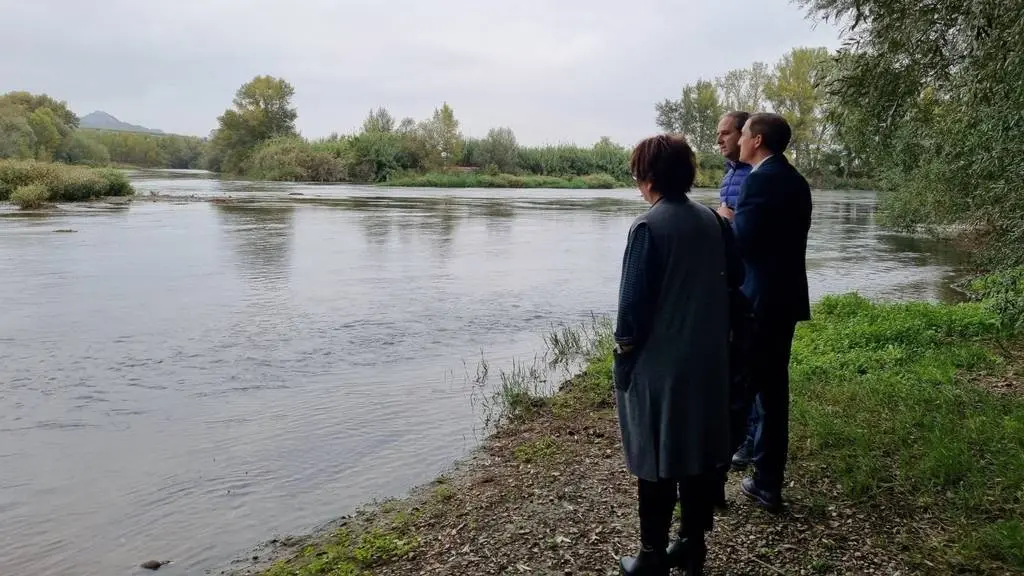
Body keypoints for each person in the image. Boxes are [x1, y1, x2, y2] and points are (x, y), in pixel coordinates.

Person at [613, 134, 733, 576]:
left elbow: (631, 309)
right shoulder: (714, 222)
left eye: (636, 174)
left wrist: (623, 357)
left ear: (647, 177)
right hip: (709, 362)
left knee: (655, 459)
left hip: (661, 367)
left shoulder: (647, 227)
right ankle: (691, 547)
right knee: (698, 456)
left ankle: (650, 557)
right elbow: (734, 283)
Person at [732, 113, 812, 511]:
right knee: (774, 391)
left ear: (758, 140)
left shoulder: (759, 181)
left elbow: (742, 243)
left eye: (744, 135)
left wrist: (725, 220)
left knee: (743, 389)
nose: (740, 141)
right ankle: (767, 481)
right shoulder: (796, 181)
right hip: (786, 299)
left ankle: (714, 476)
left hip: (759, 303)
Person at [713, 110, 762, 487]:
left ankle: (749, 442)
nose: (720, 140)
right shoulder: (730, 173)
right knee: (735, 362)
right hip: (733, 280)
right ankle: (740, 434)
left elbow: (751, 227)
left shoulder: (756, 177)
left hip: (752, 281)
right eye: (719, 134)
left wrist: (728, 220)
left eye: (726, 133)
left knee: (750, 365)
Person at [715, 111, 752, 221]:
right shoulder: (728, 175)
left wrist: (733, 218)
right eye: (718, 134)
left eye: (725, 133)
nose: (718, 141)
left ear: (744, 135)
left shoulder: (760, 173)